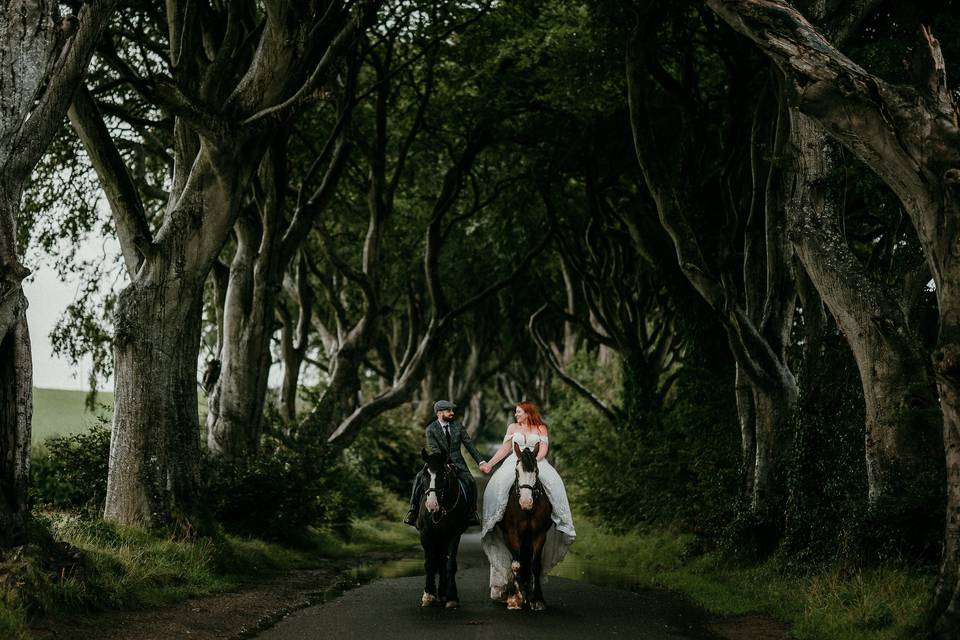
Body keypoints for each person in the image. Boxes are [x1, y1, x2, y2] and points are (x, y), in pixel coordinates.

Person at [478, 401, 576, 601]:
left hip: (535, 463)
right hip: (514, 463)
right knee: (497, 487)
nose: (516, 415)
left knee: (555, 485)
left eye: (519, 412)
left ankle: (560, 517)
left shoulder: (540, 427)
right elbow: (505, 449)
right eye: (515, 412)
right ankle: (494, 519)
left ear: (528, 412)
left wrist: (533, 460)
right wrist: (489, 464)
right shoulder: (512, 428)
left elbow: (544, 449)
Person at [403, 400, 487, 527]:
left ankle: (472, 512)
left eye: (452, 410)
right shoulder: (430, 429)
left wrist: (481, 461)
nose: (452, 413)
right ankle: (413, 511)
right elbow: (434, 449)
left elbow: (469, 445)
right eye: (449, 411)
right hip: (437, 462)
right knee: (419, 477)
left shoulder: (458, 426)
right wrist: (444, 463)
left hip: (458, 462)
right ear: (439, 413)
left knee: (470, 481)